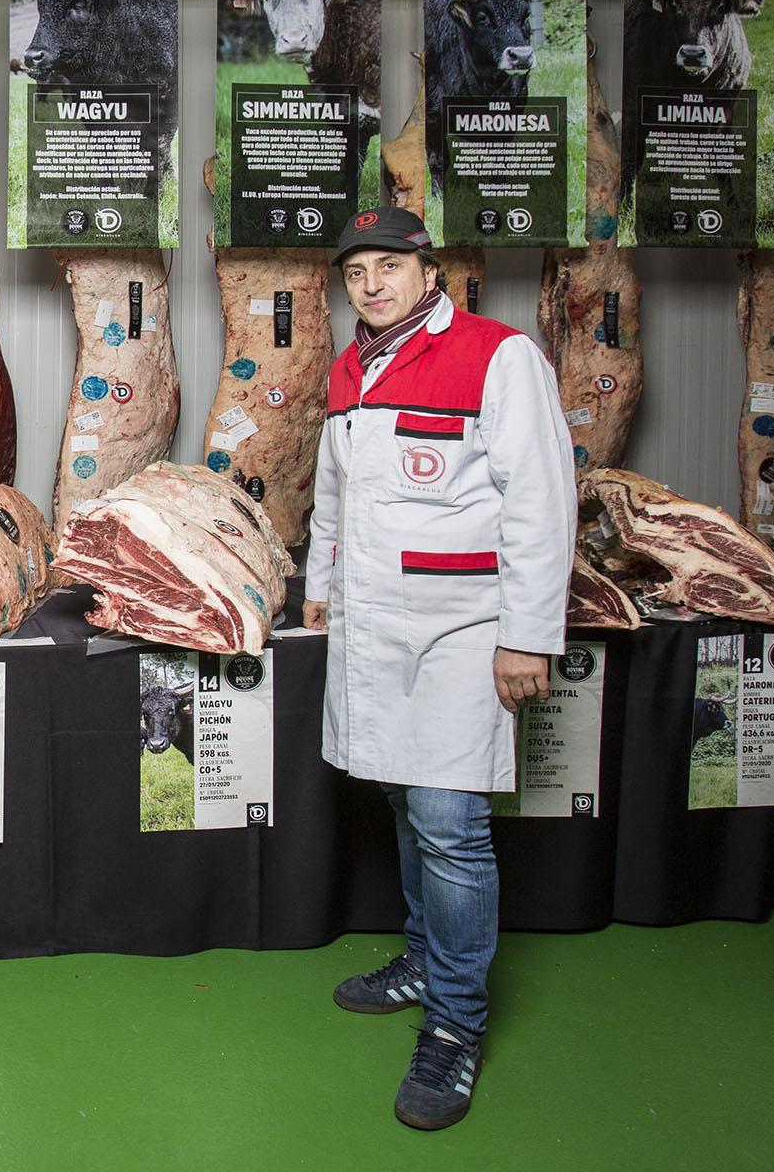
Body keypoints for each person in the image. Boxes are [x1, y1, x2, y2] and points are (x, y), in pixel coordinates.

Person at [302, 207, 573, 1130]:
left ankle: (456, 1025)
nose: (370, 283)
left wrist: (529, 634)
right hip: (374, 622)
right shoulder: (352, 367)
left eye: (388, 265)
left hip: (465, 626)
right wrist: (319, 583)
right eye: (355, 271)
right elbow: (332, 493)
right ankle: (422, 959)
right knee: (401, 800)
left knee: (450, 821)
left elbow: (541, 501)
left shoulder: (500, 356)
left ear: (428, 269)